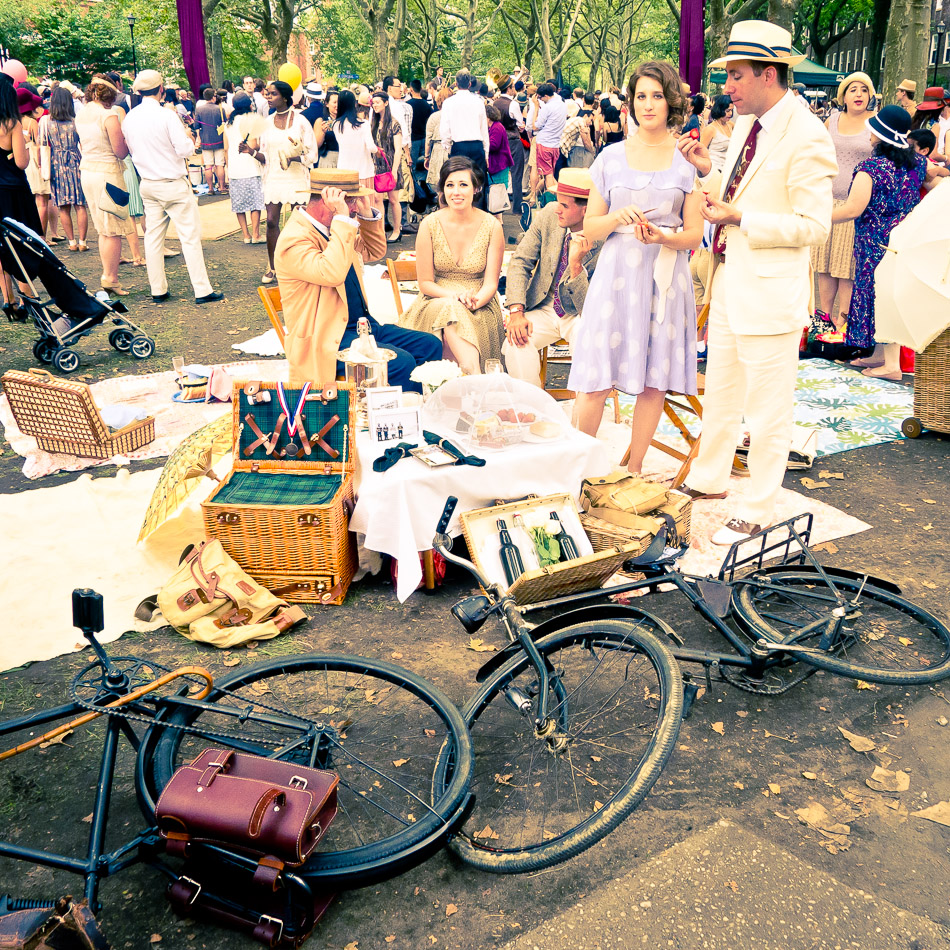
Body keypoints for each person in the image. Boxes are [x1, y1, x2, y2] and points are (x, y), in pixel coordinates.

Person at [676, 20, 837, 545]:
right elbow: (733, 194)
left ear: (769, 74)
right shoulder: (749, 122)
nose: (727, 87)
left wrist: (741, 219)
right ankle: (710, 480)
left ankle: (761, 508)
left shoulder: (808, 134)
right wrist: (705, 170)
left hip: (770, 294)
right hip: (728, 281)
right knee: (721, 394)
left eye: (736, 76)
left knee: (768, 412)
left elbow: (814, 225)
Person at [570, 61, 703, 475]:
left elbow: (695, 235)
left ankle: (636, 468)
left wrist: (665, 237)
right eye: (640, 96)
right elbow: (590, 227)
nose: (648, 105)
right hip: (615, 278)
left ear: (672, 102)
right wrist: (616, 219)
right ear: (630, 103)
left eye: (657, 96)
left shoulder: (687, 160)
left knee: (653, 379)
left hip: (664, 278)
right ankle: (576, 470)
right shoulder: (609, 157)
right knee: (595, 377)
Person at [275, 168, 440, 392]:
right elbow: (331, 273)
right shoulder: (294, 238)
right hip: (328, 337)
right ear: (328, 201)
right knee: (401, 363)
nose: (352, 207)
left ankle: (420, 408)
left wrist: (365, 215)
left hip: (363, 328)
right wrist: (343, 219)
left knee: (429, 346)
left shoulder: (334, 228)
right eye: (350, 201)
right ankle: (394, 418)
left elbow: (375, 250)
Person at [831, 105, 941, 379]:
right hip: (903, 239)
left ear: (880, 134)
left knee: (877, 295)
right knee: (888, 293)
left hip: (874, 242)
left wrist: (816, 217)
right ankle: (879, 355)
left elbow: (852, 209)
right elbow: (938, 186)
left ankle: (891, 366)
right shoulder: (916, 163)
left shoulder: (871, 168)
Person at [122, 69, 222, 304]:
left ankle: (158, 289)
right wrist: (189, 138)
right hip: (172, 182)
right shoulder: (166, 116)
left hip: (148, 183)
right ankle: (202, 289)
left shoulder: (130, 118)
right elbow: (184, 150)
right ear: (160, 90)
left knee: (153, 238)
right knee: (189, 236)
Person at [397, 156, 504, 373]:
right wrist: (453, 298)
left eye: (463, 185)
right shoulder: (429, 224)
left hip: (479, 303)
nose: (456, 192)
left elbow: (491, 284)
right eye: (450, 185)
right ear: (442, 189)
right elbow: (425, 283)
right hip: (436, 299)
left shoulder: (492, 226)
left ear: (476, 188)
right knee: (449, 310)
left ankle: (466, 377)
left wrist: (473, 302)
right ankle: (474, 375)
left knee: (454, 318)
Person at [502, 169, 602, 385]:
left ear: (586, 210)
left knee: (589, 343)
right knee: (515, 340)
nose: (557, 209)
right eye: (558, 201)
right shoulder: (549, 214)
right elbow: (521, 260)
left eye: (565, 206)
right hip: (543, 305)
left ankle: (584, 412)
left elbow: (590, 307)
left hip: (580, 313)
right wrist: (517, 311)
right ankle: (534, 408)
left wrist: (575, 266)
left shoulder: (605, 238)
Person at [808, 71, 876, 339]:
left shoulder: (875, 124)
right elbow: (817, 155)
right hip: (827, 200)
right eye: (852, 89)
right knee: (824, 263)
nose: (858, 94)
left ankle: (844, 322)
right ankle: (824, 321)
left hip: (857, 205)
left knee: (846, 266)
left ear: (870, 96)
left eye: (863, 89)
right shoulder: (831, 121)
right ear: (843, 96)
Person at [75, 76, 137, 296]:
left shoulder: (81, 115)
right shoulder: (108, 116)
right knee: (113, 229)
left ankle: (107, 274)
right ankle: (110, 277)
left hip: (88, 172)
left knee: (103, 228)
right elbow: (120, 151)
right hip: (108, 174)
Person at [258, 79, 317, 284]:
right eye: (267, 93)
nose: (269, 97)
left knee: (298, 224)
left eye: (273, 94)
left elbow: (312, 155)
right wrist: (251, 153)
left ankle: (298, 266)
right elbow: (265, 156)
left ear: (284, 97)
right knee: (272, 221)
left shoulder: (301, 121)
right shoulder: (266, 123)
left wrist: (294, 158)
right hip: (274, 176)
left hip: (296, 176)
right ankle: (273, 266)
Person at [0, 73, 41, 318]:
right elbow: (22, 163)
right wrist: (23, 146)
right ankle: (29, 298)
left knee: (0, 248)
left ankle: (9, 298)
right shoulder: (11, 124)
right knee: (19, 244)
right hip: (13, 190)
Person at [43, 85, 88, 252]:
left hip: (56, 163)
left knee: (64, 206)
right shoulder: (75, 121)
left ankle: (71, 242)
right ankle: (83, 241)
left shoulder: (47, 122)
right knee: (80, 204)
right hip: (76, 161)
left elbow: (43, 144)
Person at [439, 70, 490, 211]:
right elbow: (483, 128)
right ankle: (478, 212)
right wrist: (486, 152)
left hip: (458, 146)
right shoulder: (479, 102)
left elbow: (444, 129)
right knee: (479, 181)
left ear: (456, 83)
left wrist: (447, 147)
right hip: (477, 145)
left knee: (458, 180)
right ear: (469, 83)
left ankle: (460, 211)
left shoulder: (449, 103)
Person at [225, 91, 265, 244]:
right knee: (255, 203)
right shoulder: (251, 122)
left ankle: (246, 235)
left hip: (235, 169)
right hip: (250, 168)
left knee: (239, 204)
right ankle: (256, 234)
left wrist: (228, 167)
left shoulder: (228, 124)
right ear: (249, 105)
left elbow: (226, 148)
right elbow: (254, 145)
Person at [334, 89, 379, 208]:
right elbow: (371, 147)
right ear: (354, 104)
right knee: (366, 207)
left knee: (346, 207)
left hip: (344, 172)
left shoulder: (336, 125)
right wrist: (378, 150)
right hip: (363, 171)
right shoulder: (363, 124)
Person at [371, 91, 405, 243]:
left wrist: (395, 170)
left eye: (378, 102)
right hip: (375, 166)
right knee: (378, 198)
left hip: (391, 164)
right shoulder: (371, 123)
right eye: (374, 102)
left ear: (385, 103)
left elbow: (398, 149)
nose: (375, 105)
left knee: (393, 199)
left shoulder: (394, 123)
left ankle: (397, 230)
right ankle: (380, 231)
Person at [19, 88, 51, 240]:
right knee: (42, 200)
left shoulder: (16, 122)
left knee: (31, 200)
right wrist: (41, 165)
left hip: (23, 160)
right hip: (34, 160)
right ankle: (41, 236)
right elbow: (39, 144)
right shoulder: (32, 122)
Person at [495, 74, 526, 214]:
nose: (514, 89)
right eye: (513, 86)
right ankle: (517, 207)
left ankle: (497, 205)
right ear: (508, 88)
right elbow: (521, 125)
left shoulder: (494, 103)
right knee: (516, 175)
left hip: (498, 141)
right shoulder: (513, 104)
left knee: (499, 174)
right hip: (513, 141)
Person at [532, 83, 567, 199]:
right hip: (555, 145)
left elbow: (535, 126)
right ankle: (557, 198)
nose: (540, 100)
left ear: (546, 96)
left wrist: (536, 107)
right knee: (550, 174)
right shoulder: (562, 104)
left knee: (548, 177)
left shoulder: (547, 108)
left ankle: (553, 200)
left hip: (544, 144)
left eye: (540, 97)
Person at [194, 87, 227, 195]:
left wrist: (199, 137)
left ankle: (210, 189)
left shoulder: (199, 109)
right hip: (219, 140)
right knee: (220, 165)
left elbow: (196, 126)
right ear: (213, 96)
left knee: (208, 165)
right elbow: (224, 124)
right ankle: (222, 187)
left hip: (206, 140)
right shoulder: (220, 109)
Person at [406, 79, 433, 202]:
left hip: (413, 140)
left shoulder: (408, 105)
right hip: (424, 139)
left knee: (412, 168)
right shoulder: (427, 105)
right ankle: (423, 190)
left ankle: (415, 193)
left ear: (411, 90)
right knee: (424, 166)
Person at [486, 104, 513, 220]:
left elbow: (494, 145)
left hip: (499, 164)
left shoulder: (496, 127)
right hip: (499, 164)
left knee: (497, 191)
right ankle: (498, 219)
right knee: (497, 191)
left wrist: (482, 143)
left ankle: (498, 220)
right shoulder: (496, 126)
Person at [425, 86, 452, 194]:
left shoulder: (434, 117)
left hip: (437, 150)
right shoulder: (454, 116)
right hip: (452, 148)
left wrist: (427, 156)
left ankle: (442, 207)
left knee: (438, 184)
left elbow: (428, 139)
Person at [700, 94, 734, 171]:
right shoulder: (710, 129)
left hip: (726, 169)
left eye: (732, 110)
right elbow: (701, 152)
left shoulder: (730, 125)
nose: (730, 114)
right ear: (720, 110)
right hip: (713, 169)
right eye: (727, 111)